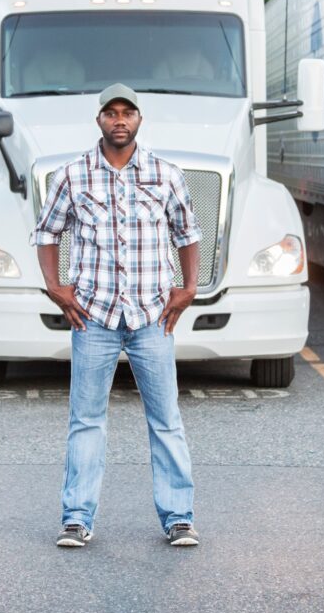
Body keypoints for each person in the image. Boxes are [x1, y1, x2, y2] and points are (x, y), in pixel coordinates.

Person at [31, 83, 202, 548]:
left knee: (165, 419)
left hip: (151, 317)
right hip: (94, 318)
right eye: (111, 113)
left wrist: (188, 289)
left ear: (140, 120)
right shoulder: (73, 175)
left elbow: (187, 233)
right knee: (86, 420)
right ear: (99, 120)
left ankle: (179, 518)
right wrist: (56, 286)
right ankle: (76, 518)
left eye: (128, 112)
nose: (119, 120)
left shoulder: (165, 174)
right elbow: (47, 233)